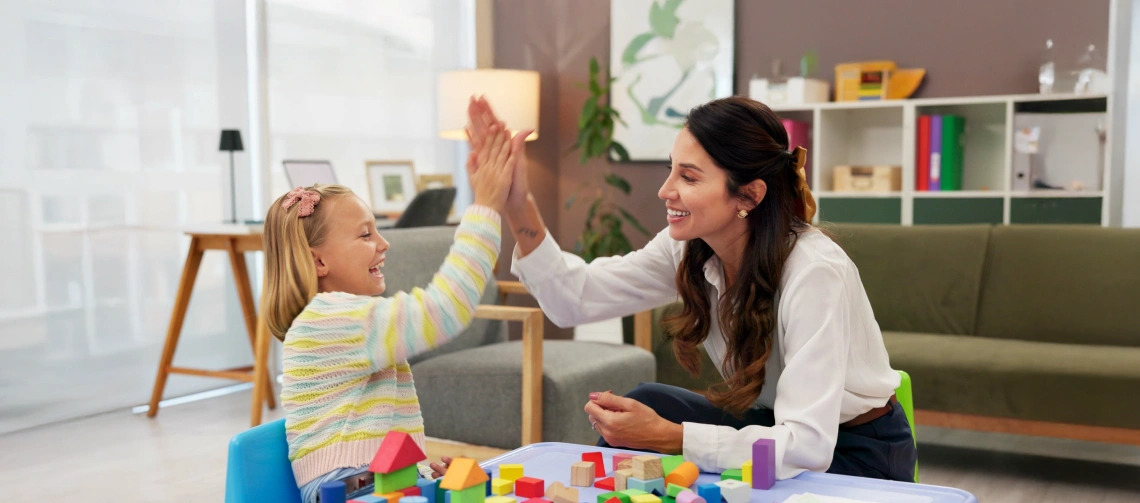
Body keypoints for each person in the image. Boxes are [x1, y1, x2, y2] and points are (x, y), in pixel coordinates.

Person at [461, 95, 916, 482]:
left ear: (749, 196)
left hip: (854, 454)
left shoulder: (814, 272)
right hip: (774, 426)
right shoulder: (690, 248)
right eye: (671, 170)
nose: (665, 190)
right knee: (646, 402)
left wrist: (669, 438)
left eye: (689, 177)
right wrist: (516, 204)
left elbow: (807, 448)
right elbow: (572, 298)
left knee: (657, 422)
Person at [260, 122, 524, 502]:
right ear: (318, 261)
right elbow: (444, 310)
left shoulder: (347, 317)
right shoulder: (331, 320)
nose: (384, 243)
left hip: (379, 483)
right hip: (348, 489)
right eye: (366, 235)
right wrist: (486, 208)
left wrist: (420, 479)